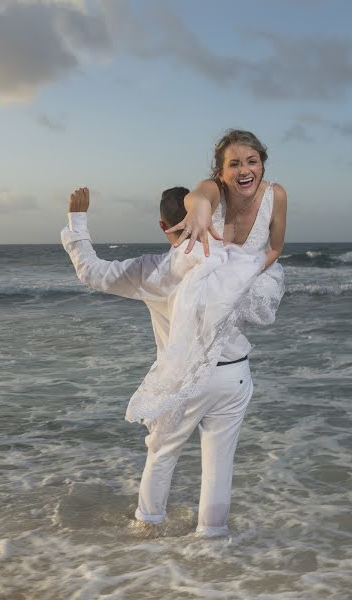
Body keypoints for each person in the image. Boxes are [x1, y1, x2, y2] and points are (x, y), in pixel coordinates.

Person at [61, 183, 284, 538]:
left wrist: (78, 219)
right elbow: (267, 267)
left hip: (186, 379)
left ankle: (148, 529)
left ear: (164, 227)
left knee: (162, 454)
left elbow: (91, 271)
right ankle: (212, 542)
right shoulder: (232, 259)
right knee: (219, 465)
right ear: (207, 218)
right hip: (234, 376)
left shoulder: (153, 269)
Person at [166, 129, 287, 266]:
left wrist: (246, 275)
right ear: (220, 173)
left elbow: (276, 249)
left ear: (262, 167)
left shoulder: (276, 196)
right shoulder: (215, 189)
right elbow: (197, 196)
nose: (245, 171)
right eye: (234, 164)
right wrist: (200, 207)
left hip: (257, 275)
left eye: (252, 162)